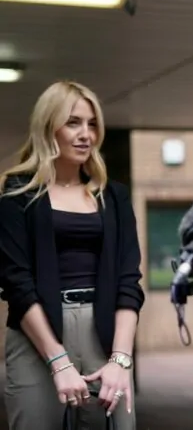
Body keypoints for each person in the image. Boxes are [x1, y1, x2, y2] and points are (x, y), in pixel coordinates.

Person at [0, 81, 145, 430]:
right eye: (73, 123)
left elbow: (129, 282)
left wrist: (121, 360)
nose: (86, 135)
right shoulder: (17, 194)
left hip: (104, 333)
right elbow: (17, 283)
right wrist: (58, 361)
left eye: (92, 124)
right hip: (38, 337)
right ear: (48, 127)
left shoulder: (114, 197)